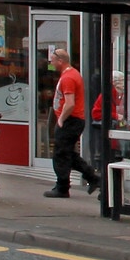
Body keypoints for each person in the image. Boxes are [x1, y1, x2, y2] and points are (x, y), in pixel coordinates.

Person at [43, 47, 99, 199]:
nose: (51, 63)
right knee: (68, 153)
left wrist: (60, 119)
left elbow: (70, 103)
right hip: (74, 120)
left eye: (53, 60)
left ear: (60, 61)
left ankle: (62, 187)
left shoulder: (68, 78)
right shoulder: (72, 74)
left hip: (70, 120)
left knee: (61, 154)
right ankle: (93, 178)